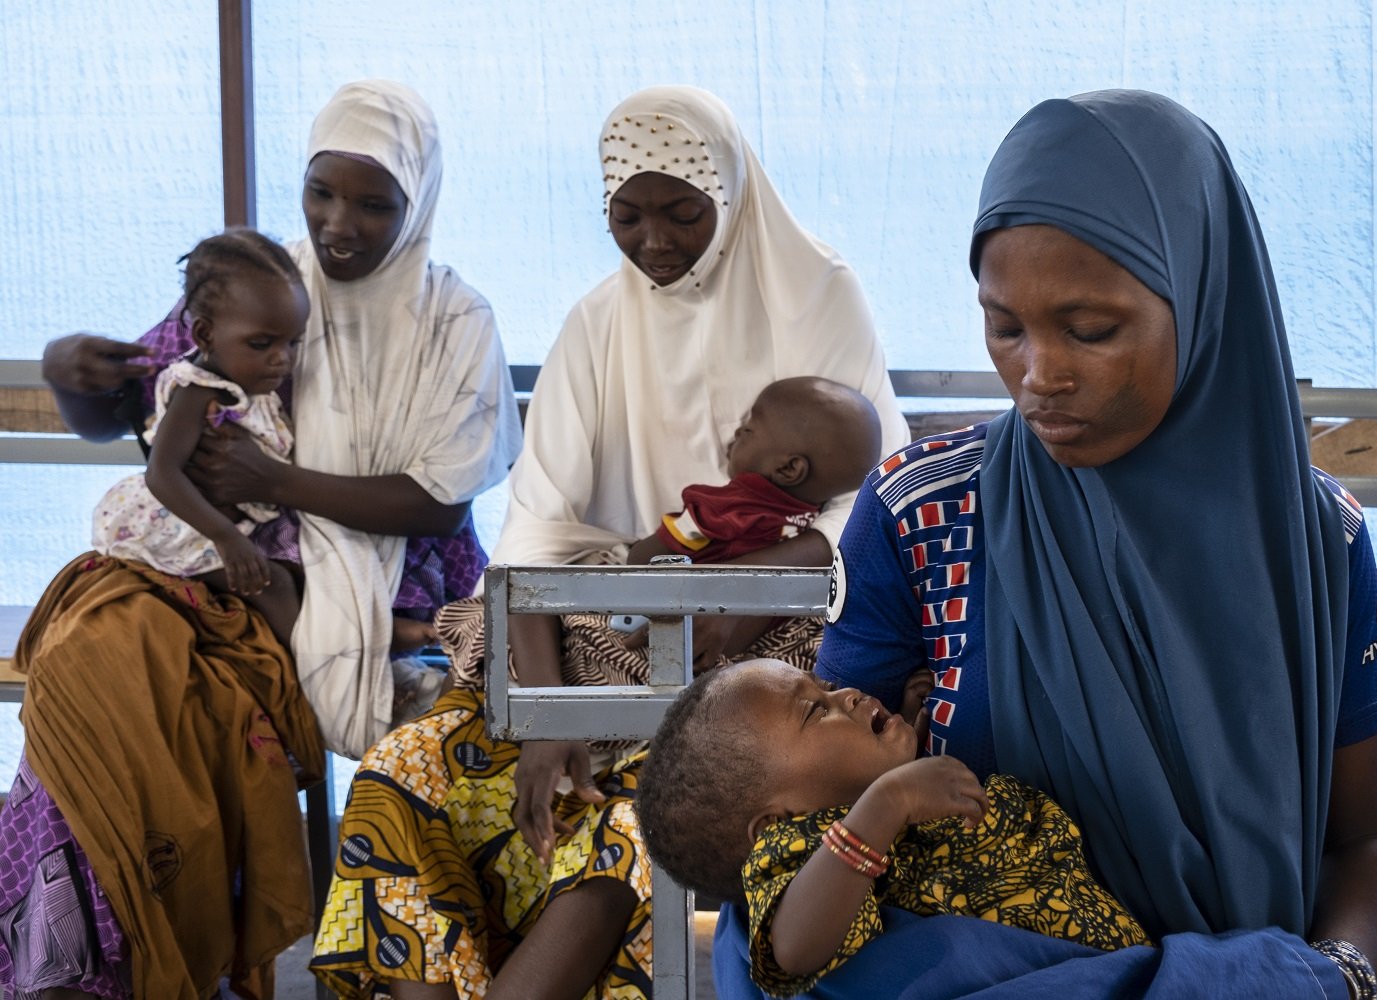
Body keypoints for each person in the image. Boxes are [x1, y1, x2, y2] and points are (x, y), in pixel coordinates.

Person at [713, 90, 1377, 1000]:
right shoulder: (924, 514)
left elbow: (1356, 845)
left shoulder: (1314, 548)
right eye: (1004, 326)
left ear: (1201, 298)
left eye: (1091, 329)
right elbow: (813, 821)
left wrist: (1333, 978)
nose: (1039, 376)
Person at [311, 85, 909, 1000]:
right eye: (626, 216)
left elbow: (862, 510)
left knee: (633, 823)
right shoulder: (596, 324)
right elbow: (535, 539)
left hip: (757, 654)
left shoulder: (817, 295)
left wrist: (735, 588)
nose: (654, 241)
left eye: (681, 213)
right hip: (592, 635)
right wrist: (552, 714)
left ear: (733, 197)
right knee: (405, 770)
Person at [4, 80, 522, 998]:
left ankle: (179, 945)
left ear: (420, 202)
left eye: (374, 203)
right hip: (227, 568)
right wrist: (69, 374)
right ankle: (83, 952)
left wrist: (274, 483)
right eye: (322, 192)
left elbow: (439, 503)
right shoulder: (264, 281)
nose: (341, 225)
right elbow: (139, 395)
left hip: (393, 581)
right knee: (92, 668)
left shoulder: (454, 319)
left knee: (190, 701)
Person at [638, 658, 1149, 997]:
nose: (849, 695)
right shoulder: (796, 848)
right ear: (776, 822)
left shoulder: (855, 811)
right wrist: (889, 799)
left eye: (828, 686)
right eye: (817, 710)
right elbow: (793, 950)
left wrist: (900, 746)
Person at [92, 228, 307, 647]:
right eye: (262, 343)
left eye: (293, 341)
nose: (282, 358)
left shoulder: (250, 388)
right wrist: (227, 540)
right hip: (176, 524)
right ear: (205, 336)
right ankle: (316, 687)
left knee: (304, 576)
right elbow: (162, 474)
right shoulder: (199, 389)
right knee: (275, 583)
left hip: (222, 522)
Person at [627, 375, 884, 565]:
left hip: (703, 618)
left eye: (749, 430)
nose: (737, 432)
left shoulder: (721, 512)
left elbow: (644, 560)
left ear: (789, 468)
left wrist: (638, 552)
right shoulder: (810, 513)